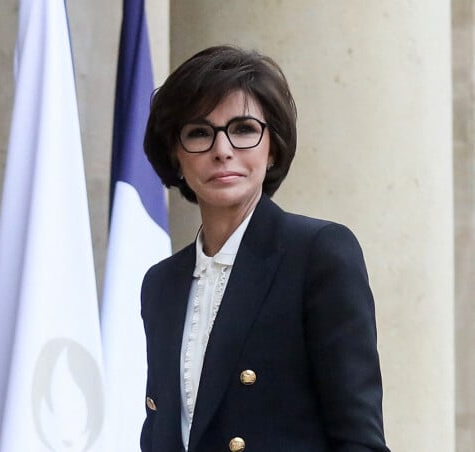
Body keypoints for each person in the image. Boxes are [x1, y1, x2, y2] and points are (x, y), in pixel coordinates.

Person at [140, 45, 390, 452]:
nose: (222, 150)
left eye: (243, 129)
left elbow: (358, 440)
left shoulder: (318, 255)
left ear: (271, 147)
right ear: (176, 153)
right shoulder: (161, 284)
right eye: (199, 132)